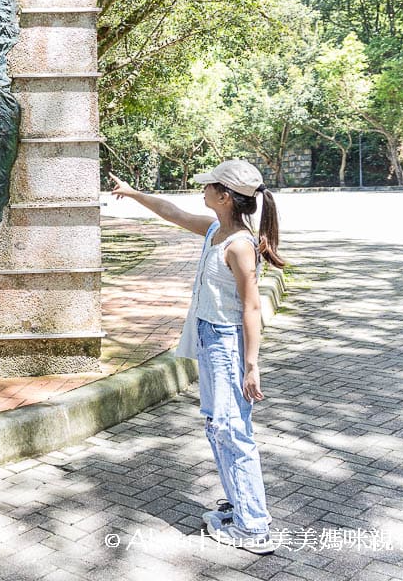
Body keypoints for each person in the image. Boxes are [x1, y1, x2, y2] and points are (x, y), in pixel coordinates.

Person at [110, 160, 285, 555]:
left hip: (227, 344)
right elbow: (173, 213)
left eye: (209, 187)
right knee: (216, 425)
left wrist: (252, 365)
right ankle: (241, 505)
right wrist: (134, 193)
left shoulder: (239, 245)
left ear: (225, 197)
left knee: (231, 430)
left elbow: (251, 309)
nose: (202, 191)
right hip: (209, 337)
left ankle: (254, 527)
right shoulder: (215, 230)